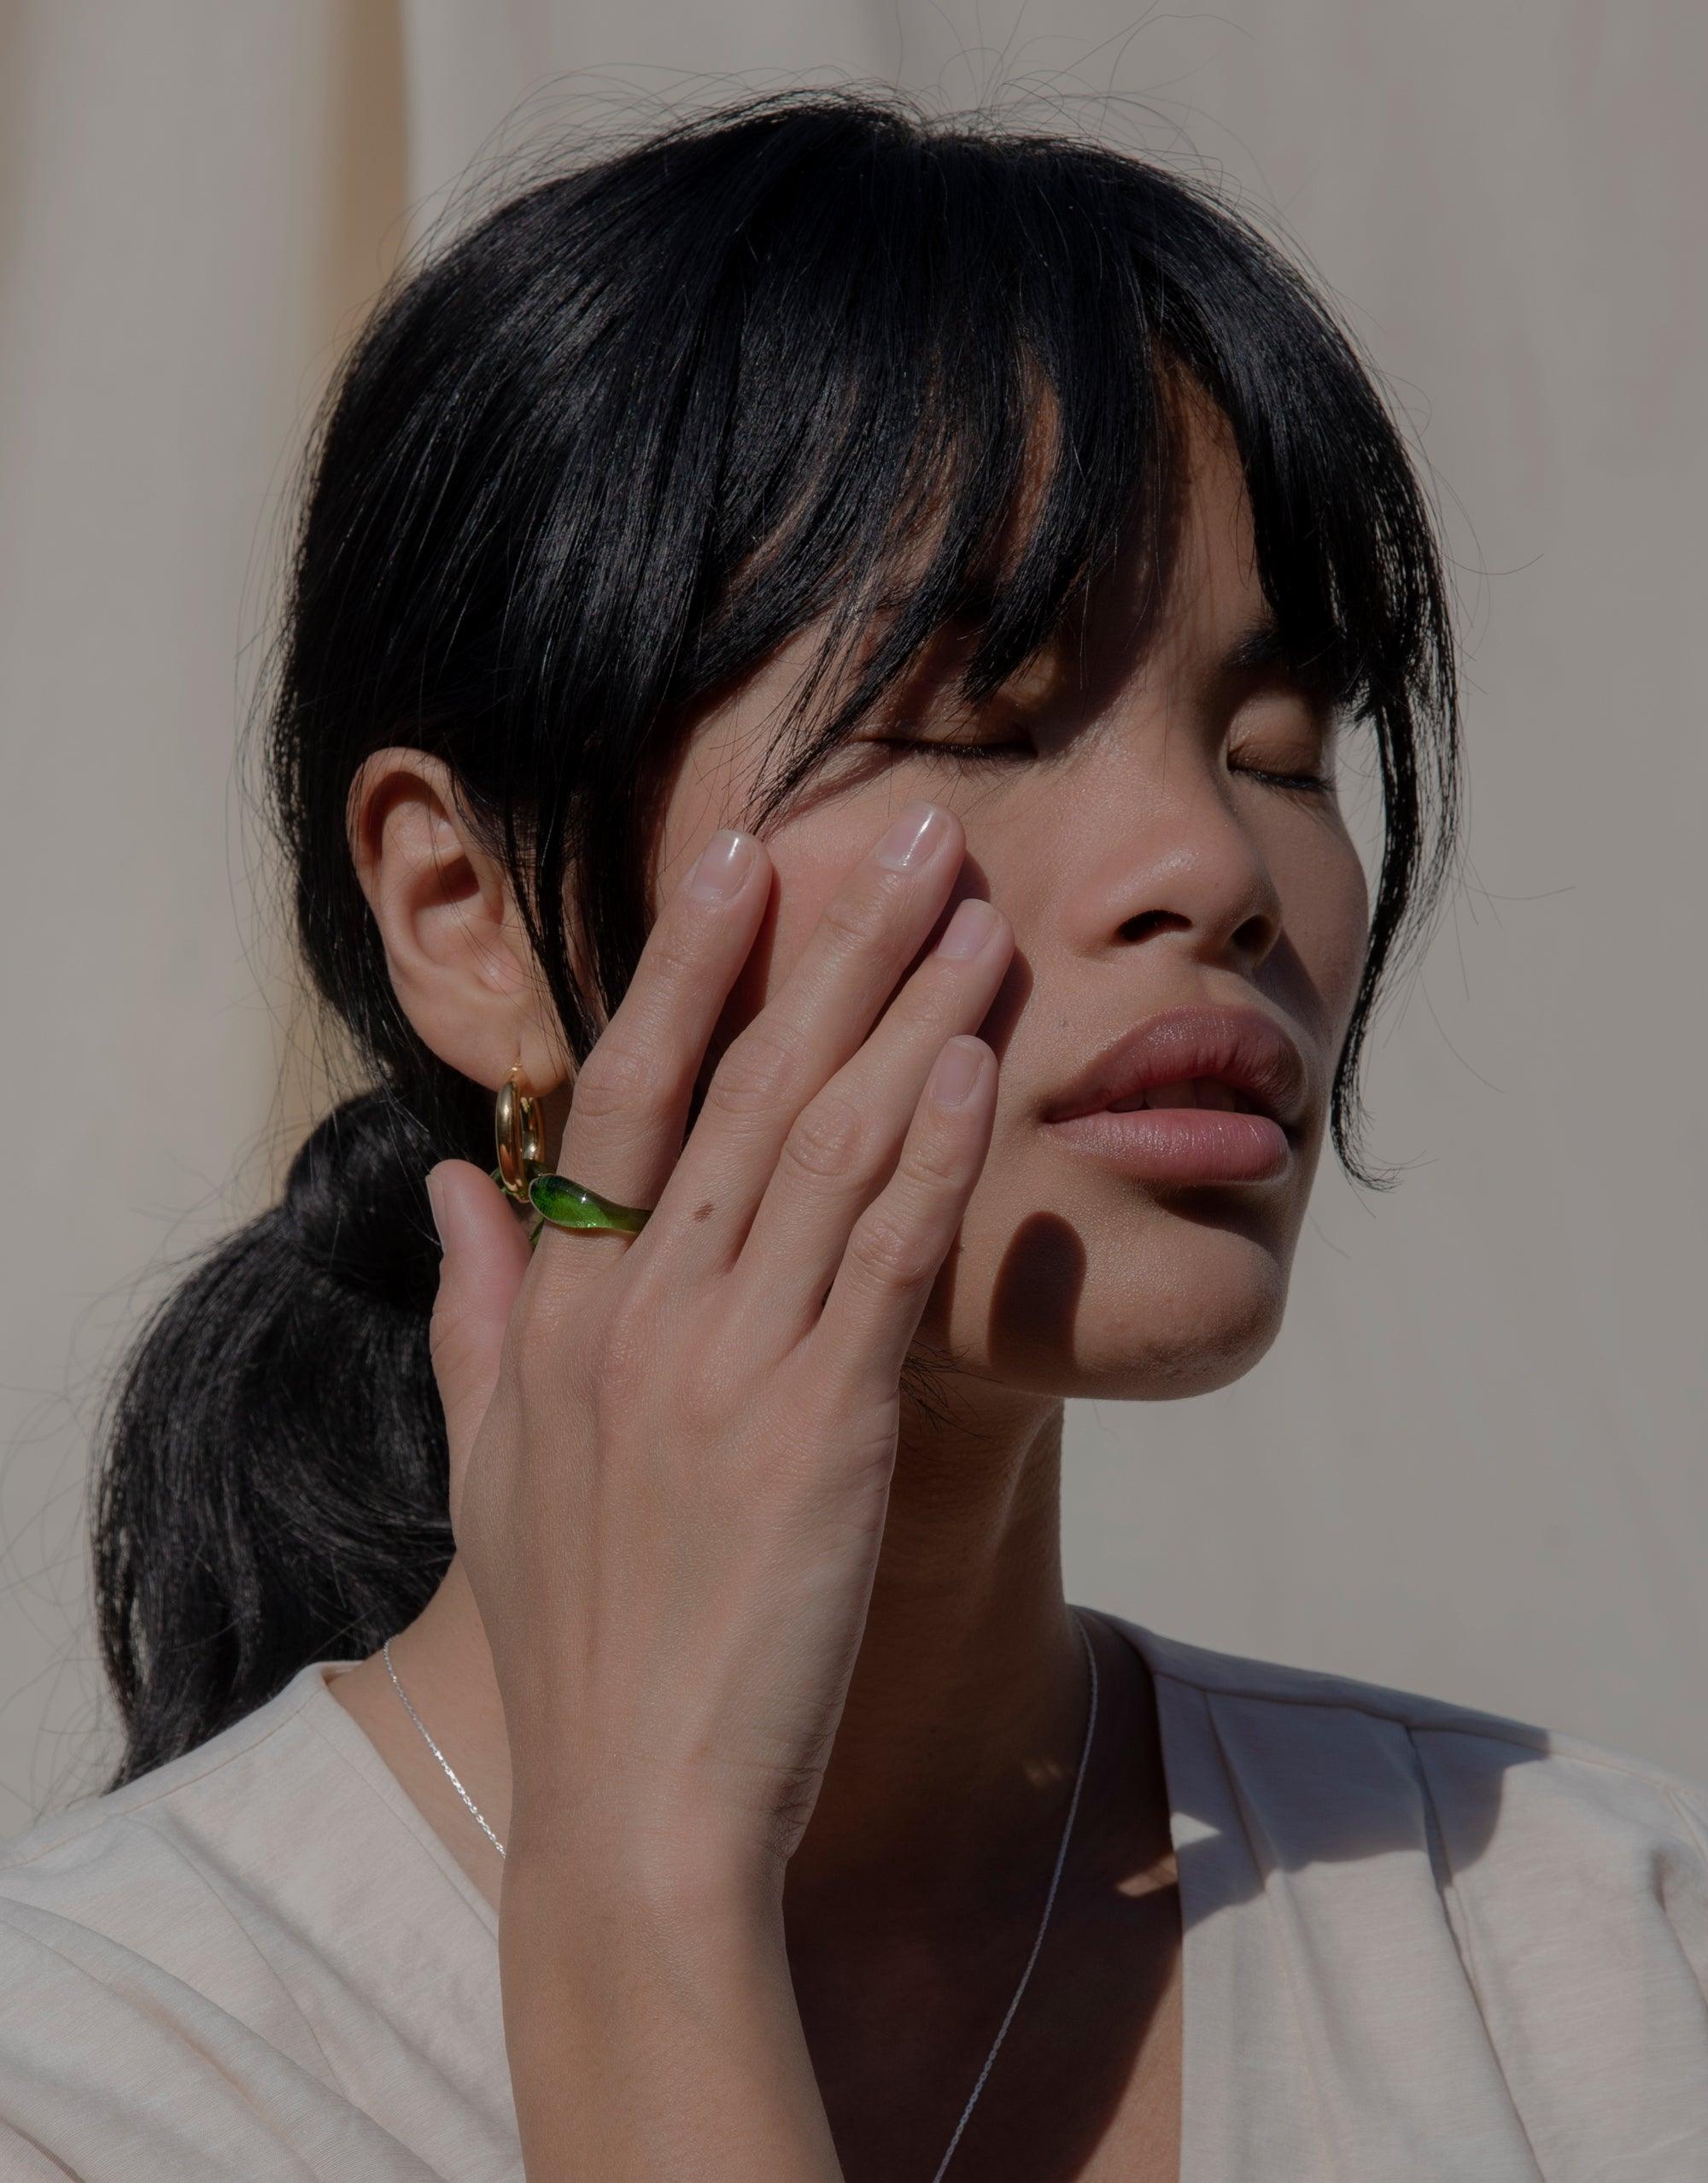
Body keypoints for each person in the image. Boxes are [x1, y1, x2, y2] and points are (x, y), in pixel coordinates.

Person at [2, 87, 1704, 2183]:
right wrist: (641, 1898)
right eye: (970, 718)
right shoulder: (96, 2083)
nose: (1211, 863)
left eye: (1278, 745)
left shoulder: (1599, 1963)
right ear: (463, 914)